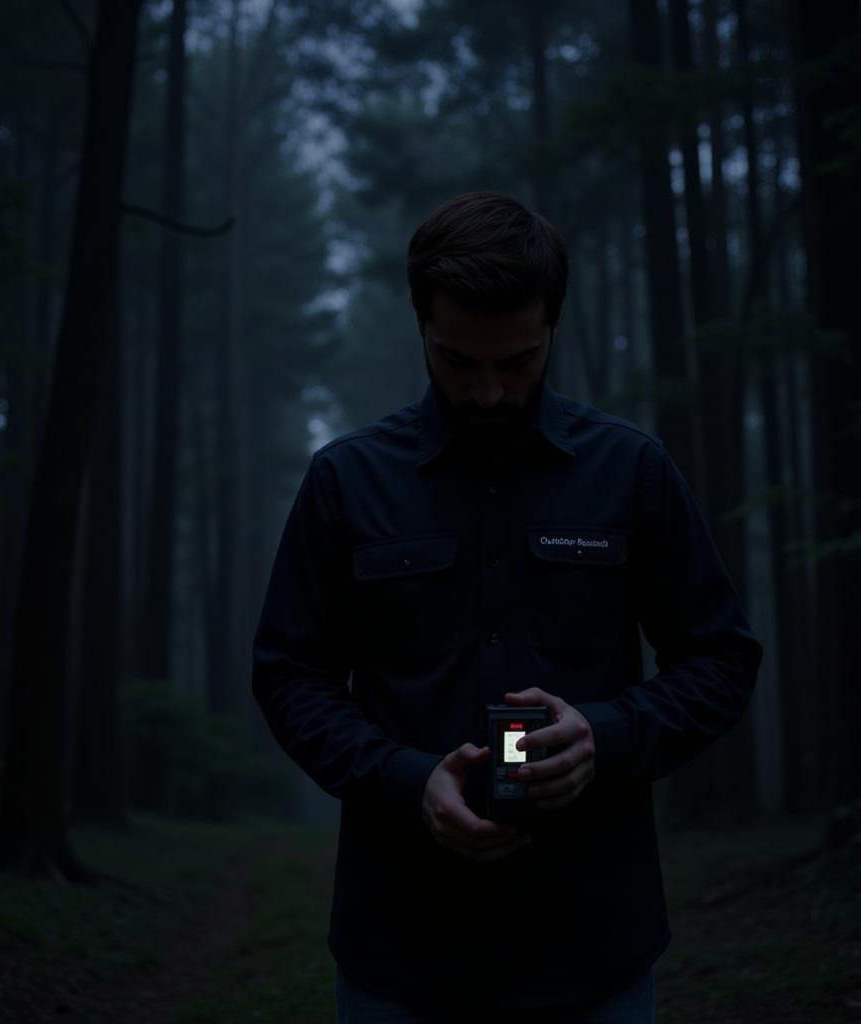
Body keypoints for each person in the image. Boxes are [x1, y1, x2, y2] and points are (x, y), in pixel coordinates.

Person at [251, 192, 764, 1023]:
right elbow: (287, 674)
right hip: (401, 950)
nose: (487, 392)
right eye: (458, 362)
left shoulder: (629, 471)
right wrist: (407, 780)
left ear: (552, 328)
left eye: (517, 363)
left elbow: (722, 657)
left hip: (593, 946)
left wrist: (608, 732)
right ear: (421, 324)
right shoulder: (347, 482)